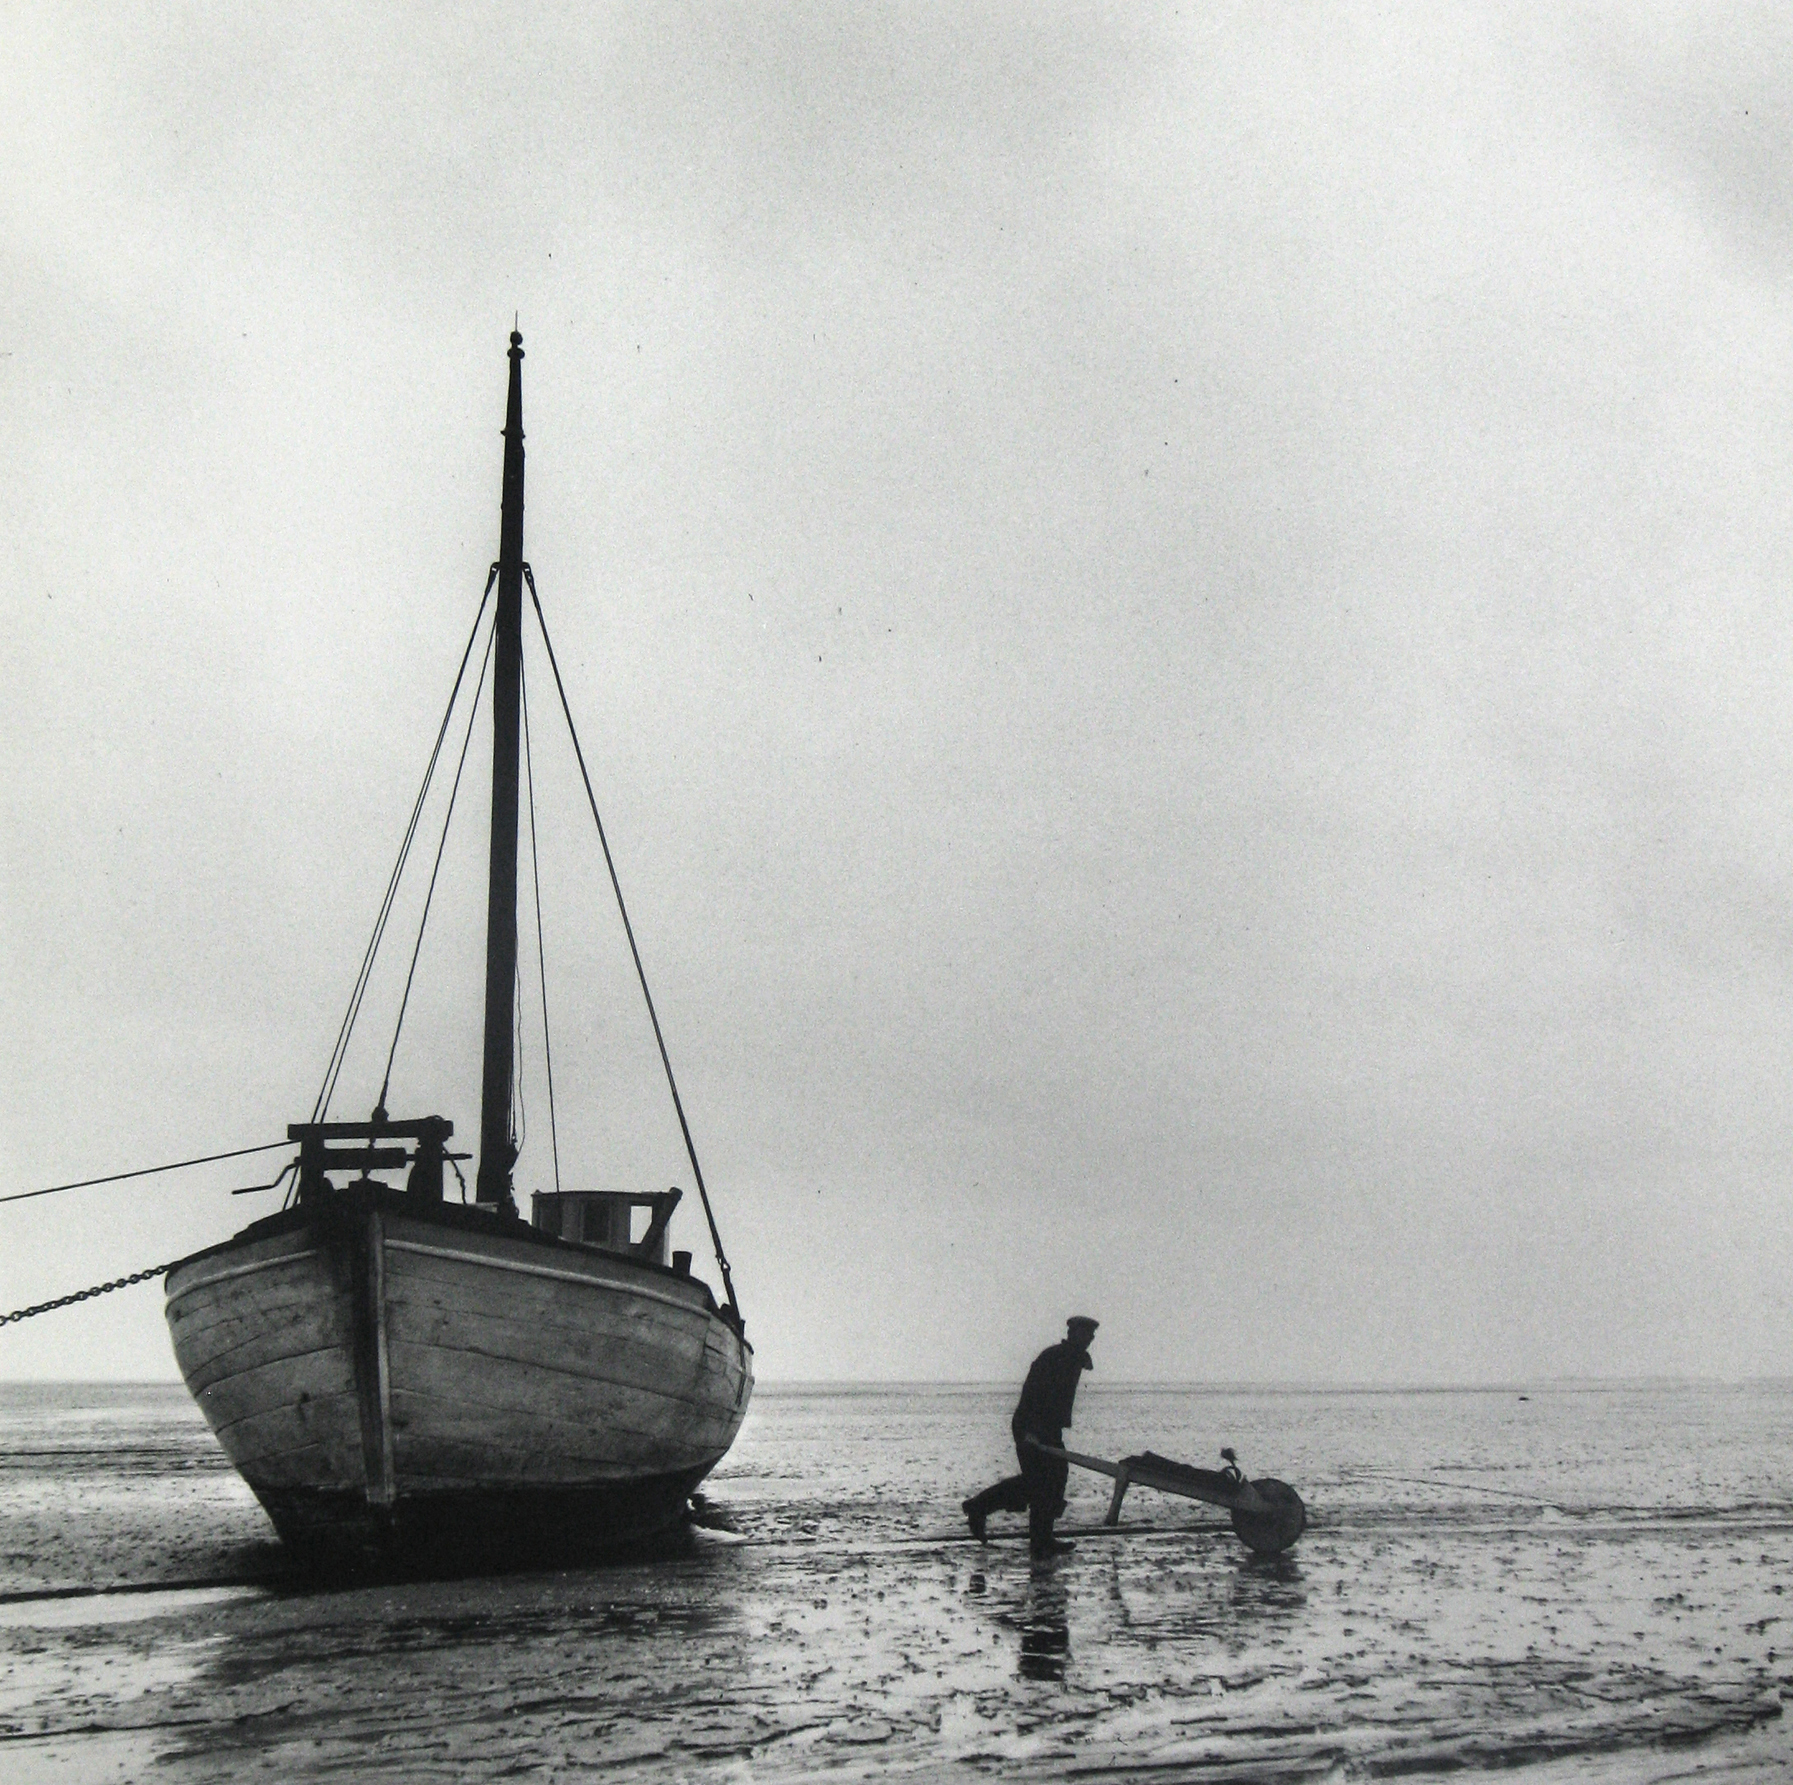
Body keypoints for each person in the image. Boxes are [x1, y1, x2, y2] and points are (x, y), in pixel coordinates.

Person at [962, 1316, 1098, 1557]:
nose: (1091, 1339)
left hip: (1045, 1425)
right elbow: (1036, 1394)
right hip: (1033, 1425)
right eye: (1087, 1334)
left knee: (1047, 1480)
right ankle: (981, 1507)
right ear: (1073, 1333)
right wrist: (1032, 1434)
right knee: (1042, 1480)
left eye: (1091, 1335)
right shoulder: (1056, 1358)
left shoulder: (1067, 1357)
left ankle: (1040, 1539)